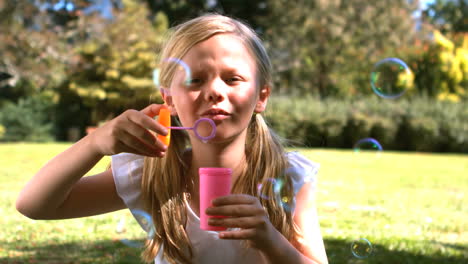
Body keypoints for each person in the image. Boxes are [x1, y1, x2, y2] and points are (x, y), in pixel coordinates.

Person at [16, 14, 328, 264]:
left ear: (261, 97)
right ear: (170, 100)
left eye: (233, 78)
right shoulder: (149, 174)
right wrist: (95, 143)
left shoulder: (288, 177)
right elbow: (35, 205)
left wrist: (270, 241)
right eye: (195, 80)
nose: (215, 91)